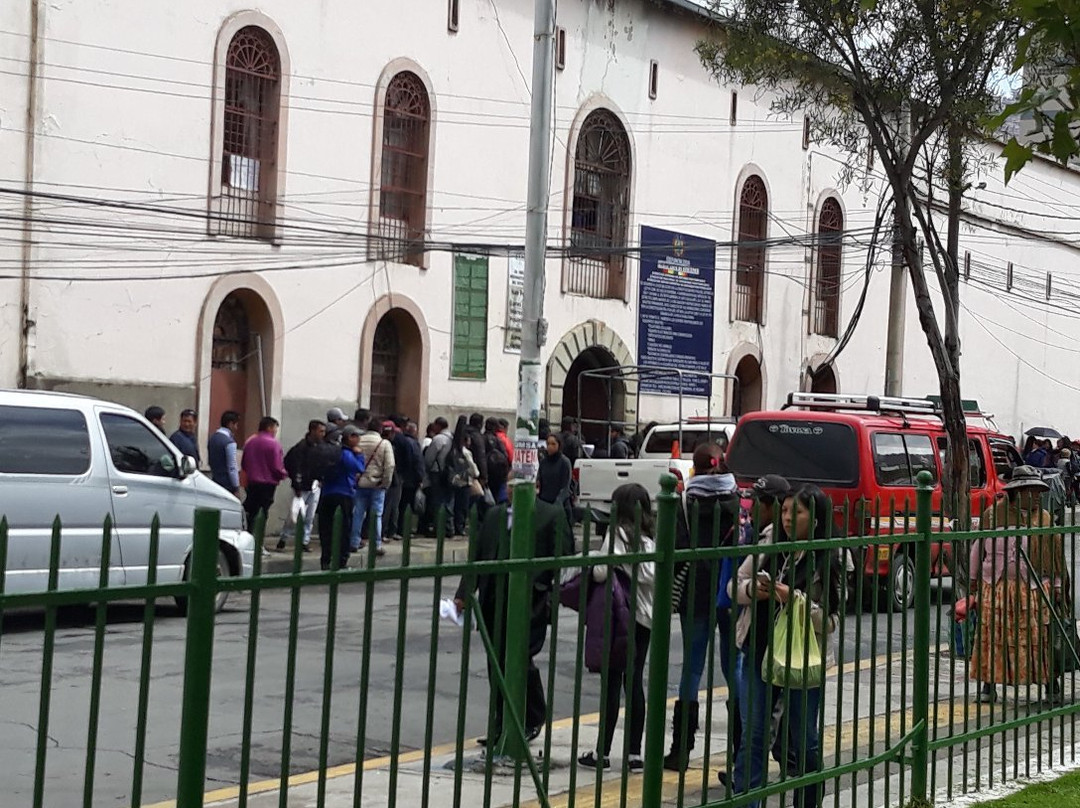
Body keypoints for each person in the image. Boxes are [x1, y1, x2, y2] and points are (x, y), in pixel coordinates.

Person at [732, 484, 843, 808]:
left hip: (803, 657)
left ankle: (807, 802)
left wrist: (794, 599)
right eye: (784, 511)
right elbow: (732, 587)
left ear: (815, 517)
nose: (788, 518)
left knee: (803, 738)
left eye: (797, 512)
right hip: (759, 650)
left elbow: (832, 620)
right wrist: (754, 589)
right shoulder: (769, 542)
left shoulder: (830, 556)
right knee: (753, 734)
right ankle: (747, 801)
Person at [454, 497, 574, 746]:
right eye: (511, 482)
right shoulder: (494, 516)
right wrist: (464, 593)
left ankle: (532, 717)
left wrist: (550, 596)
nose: (513, 488)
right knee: (496, 662)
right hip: (493, 600)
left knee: (520, 659)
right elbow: (478, 556)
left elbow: (563, 560)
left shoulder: (551, 514)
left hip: (531, 602)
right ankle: (501, 723)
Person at [664, 443, 741, 773]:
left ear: (693, 469)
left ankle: (681, 749)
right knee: (732, 663)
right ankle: (740, 746)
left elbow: (677, 547)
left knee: (691, 668)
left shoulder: (684, 502)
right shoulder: (737, 500)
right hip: (729, 588)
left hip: (695, 591)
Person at [579, 483, 656, 772]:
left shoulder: (618, 534)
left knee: (612, 682)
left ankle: (603, 751)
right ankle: (635, 753)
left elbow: (601, 571)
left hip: (621, 615)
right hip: (646, 618)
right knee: (634, 682)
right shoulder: (651, 535)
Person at [970, 465, 1063, 704]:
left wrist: (1058, 585)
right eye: (1029, 491)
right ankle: (988, 686)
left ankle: (1051, 687)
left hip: (1031, 588)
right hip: (997, 586)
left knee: (1036, 637)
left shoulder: (1043, 519)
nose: (1035, 497)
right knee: (993, 637)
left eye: (1037, 492)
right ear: (1015, 492)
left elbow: (1055, 554)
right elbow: (978, 548)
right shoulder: (993, 515)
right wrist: (973, 579)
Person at [317, 425, 367, 571]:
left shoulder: (331, 452)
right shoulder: (346, 454)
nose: (359, 440)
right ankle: (341, 561)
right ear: (350, 437)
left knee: (326, 529)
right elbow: (359, 468)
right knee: (344, 529)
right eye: (357, 436)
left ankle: (325, 559)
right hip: (344, 493)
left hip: (327, 493)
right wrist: (359, 455)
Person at [350, 410, 395, 557]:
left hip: (360, 483)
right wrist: (385, 482)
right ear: (380, 429)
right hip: (377, 484)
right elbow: (389, 466)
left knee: (358, 514)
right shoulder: (384, 443)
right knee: (377, 515)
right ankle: (376, 544)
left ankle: (354, 542)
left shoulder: (359, 441)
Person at [278, 420, 326, 552]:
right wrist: (297, 484)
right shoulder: (301, 448)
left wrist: (321, 478)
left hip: (315, 485)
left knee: (309, 515)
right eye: (320, 431)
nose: (323, 434)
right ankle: (284, 537)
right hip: (302, 486)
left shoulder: (320, 447)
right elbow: (294, 466)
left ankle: (305, 540)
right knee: (294, 514)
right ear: (313, 431)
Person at [240, 416, 289, 535]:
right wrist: (284, 474)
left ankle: (248, 535)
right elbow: (277, 466)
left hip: (252, 482)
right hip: (267, 483)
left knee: (250, 512)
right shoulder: (274, 444)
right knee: (262, 513)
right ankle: (258, 541)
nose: (275, 432)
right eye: (275, 429)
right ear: (269, 428)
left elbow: (244, 463)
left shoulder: (250, 442)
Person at [448, 415, 481, 537]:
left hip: (454, 480)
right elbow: (473, 469)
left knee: (454, 505)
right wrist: (477, 475)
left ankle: (454, 526)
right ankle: (459, 527)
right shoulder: (466, 453)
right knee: (463, 506)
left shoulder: (452, 448)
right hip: (465, 481)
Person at [423, 417, 454, 535]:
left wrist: (427, 471)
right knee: (449, 500)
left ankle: (439, 528)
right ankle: (449, 527)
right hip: (451, 473)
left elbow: (429, 459)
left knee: (437, 501)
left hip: (438, 473)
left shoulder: (438, 439)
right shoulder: (453, 438)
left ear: (438, 426)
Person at [395, 420, 425, 538]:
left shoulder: (400, 440)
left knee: (401, 504)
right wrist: (420, 477)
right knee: (407, 505)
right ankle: (404, 529)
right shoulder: (413, 443)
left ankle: (399, 528)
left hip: (402, 478)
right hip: (410, 479)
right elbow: (417, 461)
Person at [537, 432, 573, 528]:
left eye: (553, 444)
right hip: (544, 503)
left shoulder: (564, 462)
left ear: (559, 445)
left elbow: (566, 486)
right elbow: (540, 481)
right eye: (548, 444)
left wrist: (557, 503)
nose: (550, 447)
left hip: (560, 505)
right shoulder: (543, 462)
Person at [208, 410, 242, 495]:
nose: (236, 428)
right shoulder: (229, 442)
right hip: (227, 484)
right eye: (236, 424)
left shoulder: (212, 438)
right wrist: (236, 486)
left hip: (215, 480)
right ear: (230, 424)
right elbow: (232, 467)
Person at [484, 417, 512, 505]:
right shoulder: (502, 439)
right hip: (499, 471)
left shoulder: (482, 437)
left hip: (487, 470)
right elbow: (509, 454)